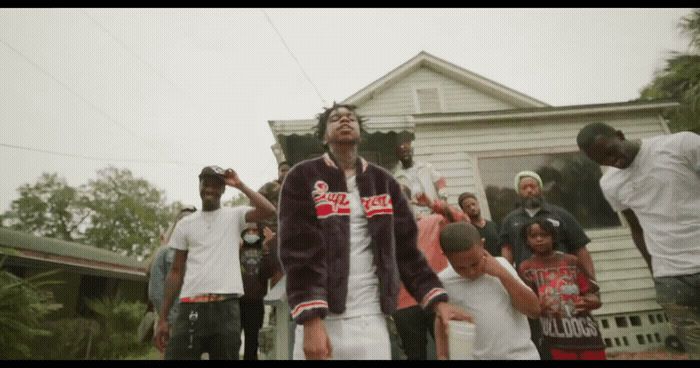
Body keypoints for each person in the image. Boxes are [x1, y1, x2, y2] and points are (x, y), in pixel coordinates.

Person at [278, 102, 471, 360]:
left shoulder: (384, 182)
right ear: (324, 136)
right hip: (322, 320)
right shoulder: (302, 177)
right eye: (335, 118)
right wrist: (311, 321)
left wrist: (439, 301)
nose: (345, 120)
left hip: (370, 319)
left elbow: (406, 251)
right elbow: (298, 252)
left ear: (360, 131)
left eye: (350, 118)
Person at [577, 122, 700, 358]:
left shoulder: (680, 145)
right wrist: (654, 271)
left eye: (612, 151)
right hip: (671, 279)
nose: (613, 161)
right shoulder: (610, 183)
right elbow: (636, 229)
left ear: (621, 135)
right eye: (602, 160)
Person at [154, 165, 276, 360]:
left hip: (225, 308)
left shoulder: (234, 215)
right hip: (190, 307)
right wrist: (163, 318)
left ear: (223, 189)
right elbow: (176, 271)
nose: (210, 189)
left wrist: (240, 184)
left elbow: (268, 210)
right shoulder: (185, 224)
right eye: (206, 184)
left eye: (216, 185)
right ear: (199, 185)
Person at [498, 170, 596, 360]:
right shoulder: (511, 220)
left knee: (575, 333)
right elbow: (506, 253)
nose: (529, 191)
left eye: (532, 186)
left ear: (540, 189)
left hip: (565, 287)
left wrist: (591, 283)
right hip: (531, 287)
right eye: (524, 187)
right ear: (518, 192)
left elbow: (580, 249)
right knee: (539, 334)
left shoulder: (560, 214)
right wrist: (509, 283)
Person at [435, 222, 541, 360]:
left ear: (482, 244)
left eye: (475, 263)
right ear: (445, 256)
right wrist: (442, 354)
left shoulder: (502, 265)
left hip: (521, 356)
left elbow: (534, 310)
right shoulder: (443, 281)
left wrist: (502, 274)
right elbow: (441, 319)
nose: (470, 271)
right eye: (460, 268)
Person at [518, 218, 606, 360]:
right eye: (534, 236)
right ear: (527, 241)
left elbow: (593, 294)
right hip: (555, 337)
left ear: (553, 237)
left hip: (586, 334)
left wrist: (592, 302)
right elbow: (529, 304)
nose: (539, 239)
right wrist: (539, 306)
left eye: (544, 235)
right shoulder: (526, 268)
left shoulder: (571, 261)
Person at [392, 196, 466, 360]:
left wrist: (433, 204)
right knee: (415, 355)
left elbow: (462, 222)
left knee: (451, 353)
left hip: (437, 300)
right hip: (403, 305)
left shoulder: (433, 221)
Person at [147, 205, 196, 357]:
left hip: (196, 323)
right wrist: (165, 320)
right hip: (170, 322)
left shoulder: (201, 254)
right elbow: (155, 291)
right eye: (183, 221)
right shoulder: (164, 253)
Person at [239, 223, 277, 360]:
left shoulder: (264, 250)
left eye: (254, 230)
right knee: (232, 342)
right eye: (248, 230)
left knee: (252, 343)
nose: (251, 233)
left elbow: (268, 273)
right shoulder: (237, 249)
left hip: (255, 303)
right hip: (236, 303)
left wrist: (267, 247)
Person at [393, 136, 448, 217]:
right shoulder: (396, 177)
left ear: (412, 151)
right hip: (415, 216)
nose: (405, 154)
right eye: (402, 152)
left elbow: (440, 181)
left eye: (407, 151)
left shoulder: (427, 167)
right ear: (398, 155)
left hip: (433, 210)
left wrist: (443, 199)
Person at [458, 192, 500, 257]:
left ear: (478, 203)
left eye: (473, 204)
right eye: (468, 206)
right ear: (463, 210)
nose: (472, 208)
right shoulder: (466, 231)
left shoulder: (493, 225)